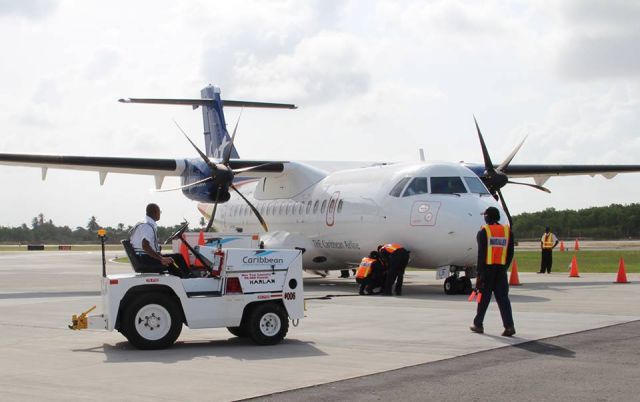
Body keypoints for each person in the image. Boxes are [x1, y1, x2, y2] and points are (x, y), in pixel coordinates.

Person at [470, 206, 516, 337]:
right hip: (501, 270)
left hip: (487, 271)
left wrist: (479, 274)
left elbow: (481, 254)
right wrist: (504, 267)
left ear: (487, 217)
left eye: (485, 215)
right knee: (503, 299)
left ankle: (478, 324)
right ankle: (509, 326)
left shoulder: (483, 232)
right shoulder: (508, 232)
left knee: (483, 299)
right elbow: (510, 253)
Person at [130, 203, 191, 278]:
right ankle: (188, 278)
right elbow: (145, 246)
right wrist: (161, 259)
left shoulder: (142, 223)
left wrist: (157, 248)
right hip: (145, 259)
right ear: (155, 212)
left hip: (142, 257)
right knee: (177, 258)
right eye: (160, 212)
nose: (160, 214)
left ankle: (181, 277)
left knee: (175, 257)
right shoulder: (148, 226)